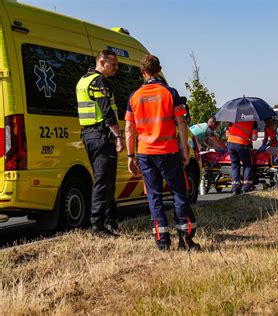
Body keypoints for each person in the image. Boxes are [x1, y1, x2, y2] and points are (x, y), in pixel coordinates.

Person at [125, 54, 199, 251]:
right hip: (168, 152)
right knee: (178, 194)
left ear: (142, 71)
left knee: (154, 196)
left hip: (145, 153)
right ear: (159, 69)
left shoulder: (134, 96)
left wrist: (130, 156)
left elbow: (128, 129)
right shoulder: (170, 93)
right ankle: (186, 239)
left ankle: (162, 241)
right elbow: (181, 123)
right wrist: (185, 149)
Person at [76, 49, 124, 238]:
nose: (116, 68)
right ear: (102, 62)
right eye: (113, 64)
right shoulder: (98, 82)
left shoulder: (82, 80)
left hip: (89, 135)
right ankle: (98, 225)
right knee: (104, 180)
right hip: (101, 135)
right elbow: (106, 111)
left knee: (105, 179)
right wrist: (118, 136)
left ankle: (111, 218)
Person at [226, 120, 258, 195]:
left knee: (235, 165)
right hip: (241, 144)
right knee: (247, 164)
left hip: (230, 143)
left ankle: (235, 188)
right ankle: (246, 187)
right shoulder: (253, 121)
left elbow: (227, 135)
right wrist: (249, 140)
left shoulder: (234, 119)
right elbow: (254, 137)